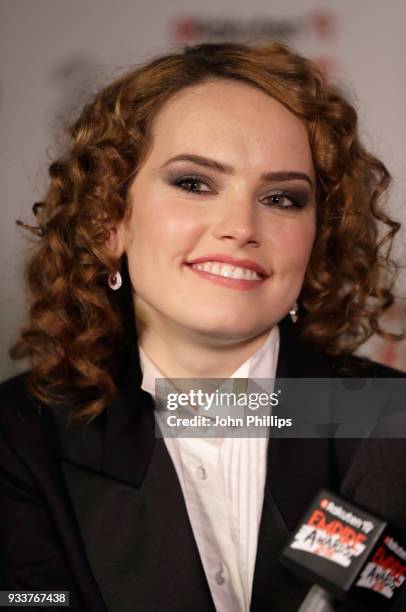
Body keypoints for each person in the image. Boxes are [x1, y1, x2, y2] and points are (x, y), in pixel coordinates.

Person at [0, 41, 405, 612]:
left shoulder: (392, 422)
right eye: (194, 183)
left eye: (282, 197)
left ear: (316, 240)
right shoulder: (20, 437)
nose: (240, 226)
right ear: (109, 220)